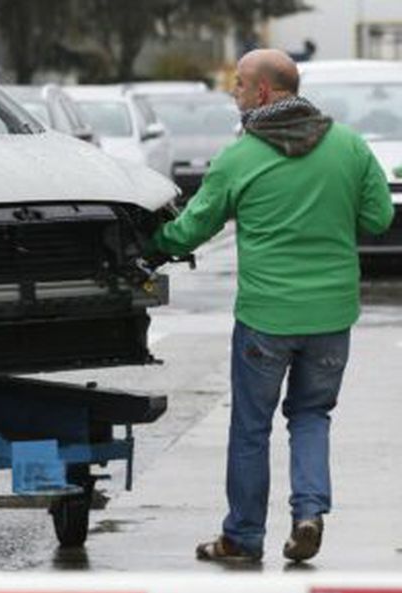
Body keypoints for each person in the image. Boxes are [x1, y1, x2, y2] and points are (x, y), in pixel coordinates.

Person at [148, 49, 395, 563]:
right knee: (312, 415)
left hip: (266, 318)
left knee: (251, 428)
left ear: (263, 92)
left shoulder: (240, 158)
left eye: (239, 84)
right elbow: (377, 219)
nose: (233, 92)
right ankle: (309, 513)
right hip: (331, 316)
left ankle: (242, 537)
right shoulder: (349, 146)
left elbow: (192, 229)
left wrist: (150, 242)